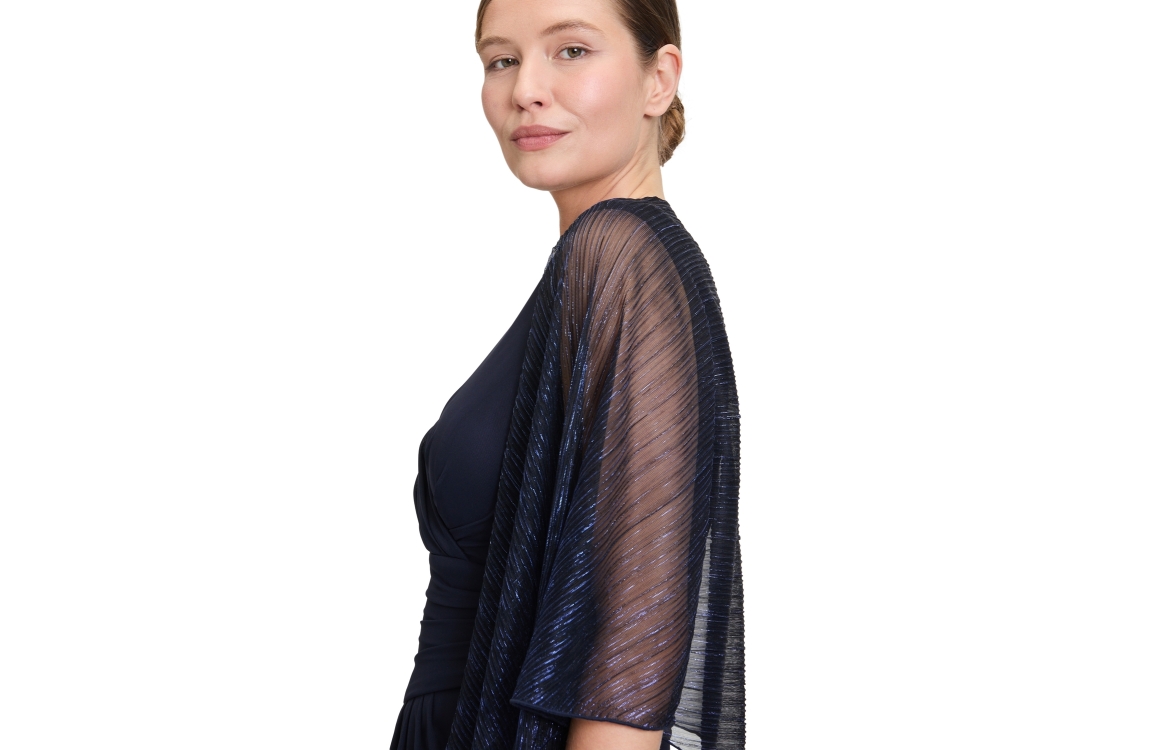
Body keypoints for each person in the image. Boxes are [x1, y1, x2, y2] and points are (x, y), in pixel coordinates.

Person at [390, 1, 743, 749]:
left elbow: (631, 647)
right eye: (502, 60)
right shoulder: (608, 267)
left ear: (659, 80)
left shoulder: (619, 256)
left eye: (572, 51)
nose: (525, 90)